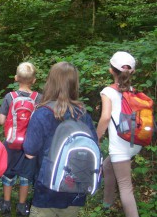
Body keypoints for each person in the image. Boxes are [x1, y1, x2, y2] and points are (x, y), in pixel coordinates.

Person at [23, 62, 98, 217]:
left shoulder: (42, 113)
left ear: (50, 83)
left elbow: (29, 152)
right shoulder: (83, 114)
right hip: (75, 190)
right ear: (74, 84)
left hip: (46, 191)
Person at [96, 51, 141, 217]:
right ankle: (107, 205)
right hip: (135, 143)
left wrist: (96, 137)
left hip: (121, 146)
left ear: (110, 70)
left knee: (126, 188)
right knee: (107, 166)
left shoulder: (108, 91)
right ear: (132, 72)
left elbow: (106, 117)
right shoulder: (133, 91)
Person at [0, 62, 42, 216]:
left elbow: (2, 121)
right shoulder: (39, 98)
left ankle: (6, 204)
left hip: (11, 143)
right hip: (29, 145)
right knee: (25, 176)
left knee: (8, 174)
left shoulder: (10, 97)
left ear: (16, 78)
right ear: (34, 80)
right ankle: (22, 206)